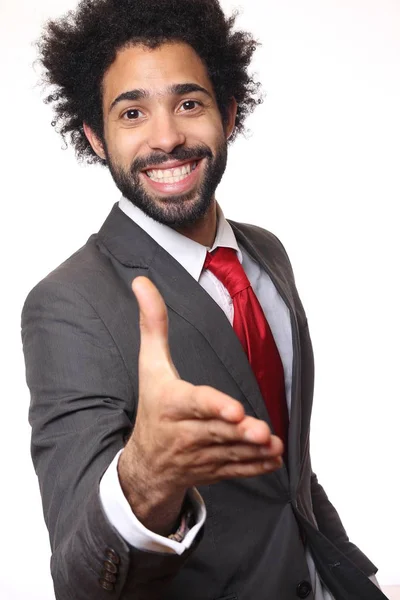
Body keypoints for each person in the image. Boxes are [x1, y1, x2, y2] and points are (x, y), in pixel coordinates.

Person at [21, 1, 387, 599]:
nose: (167, 137)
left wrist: (349, 575)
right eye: (132, 112)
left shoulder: (266, 253)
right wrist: (147, 474)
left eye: (189, 103)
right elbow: (80, 579)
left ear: (231, 113)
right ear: (94, 136)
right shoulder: (66, 305)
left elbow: (289, 475)